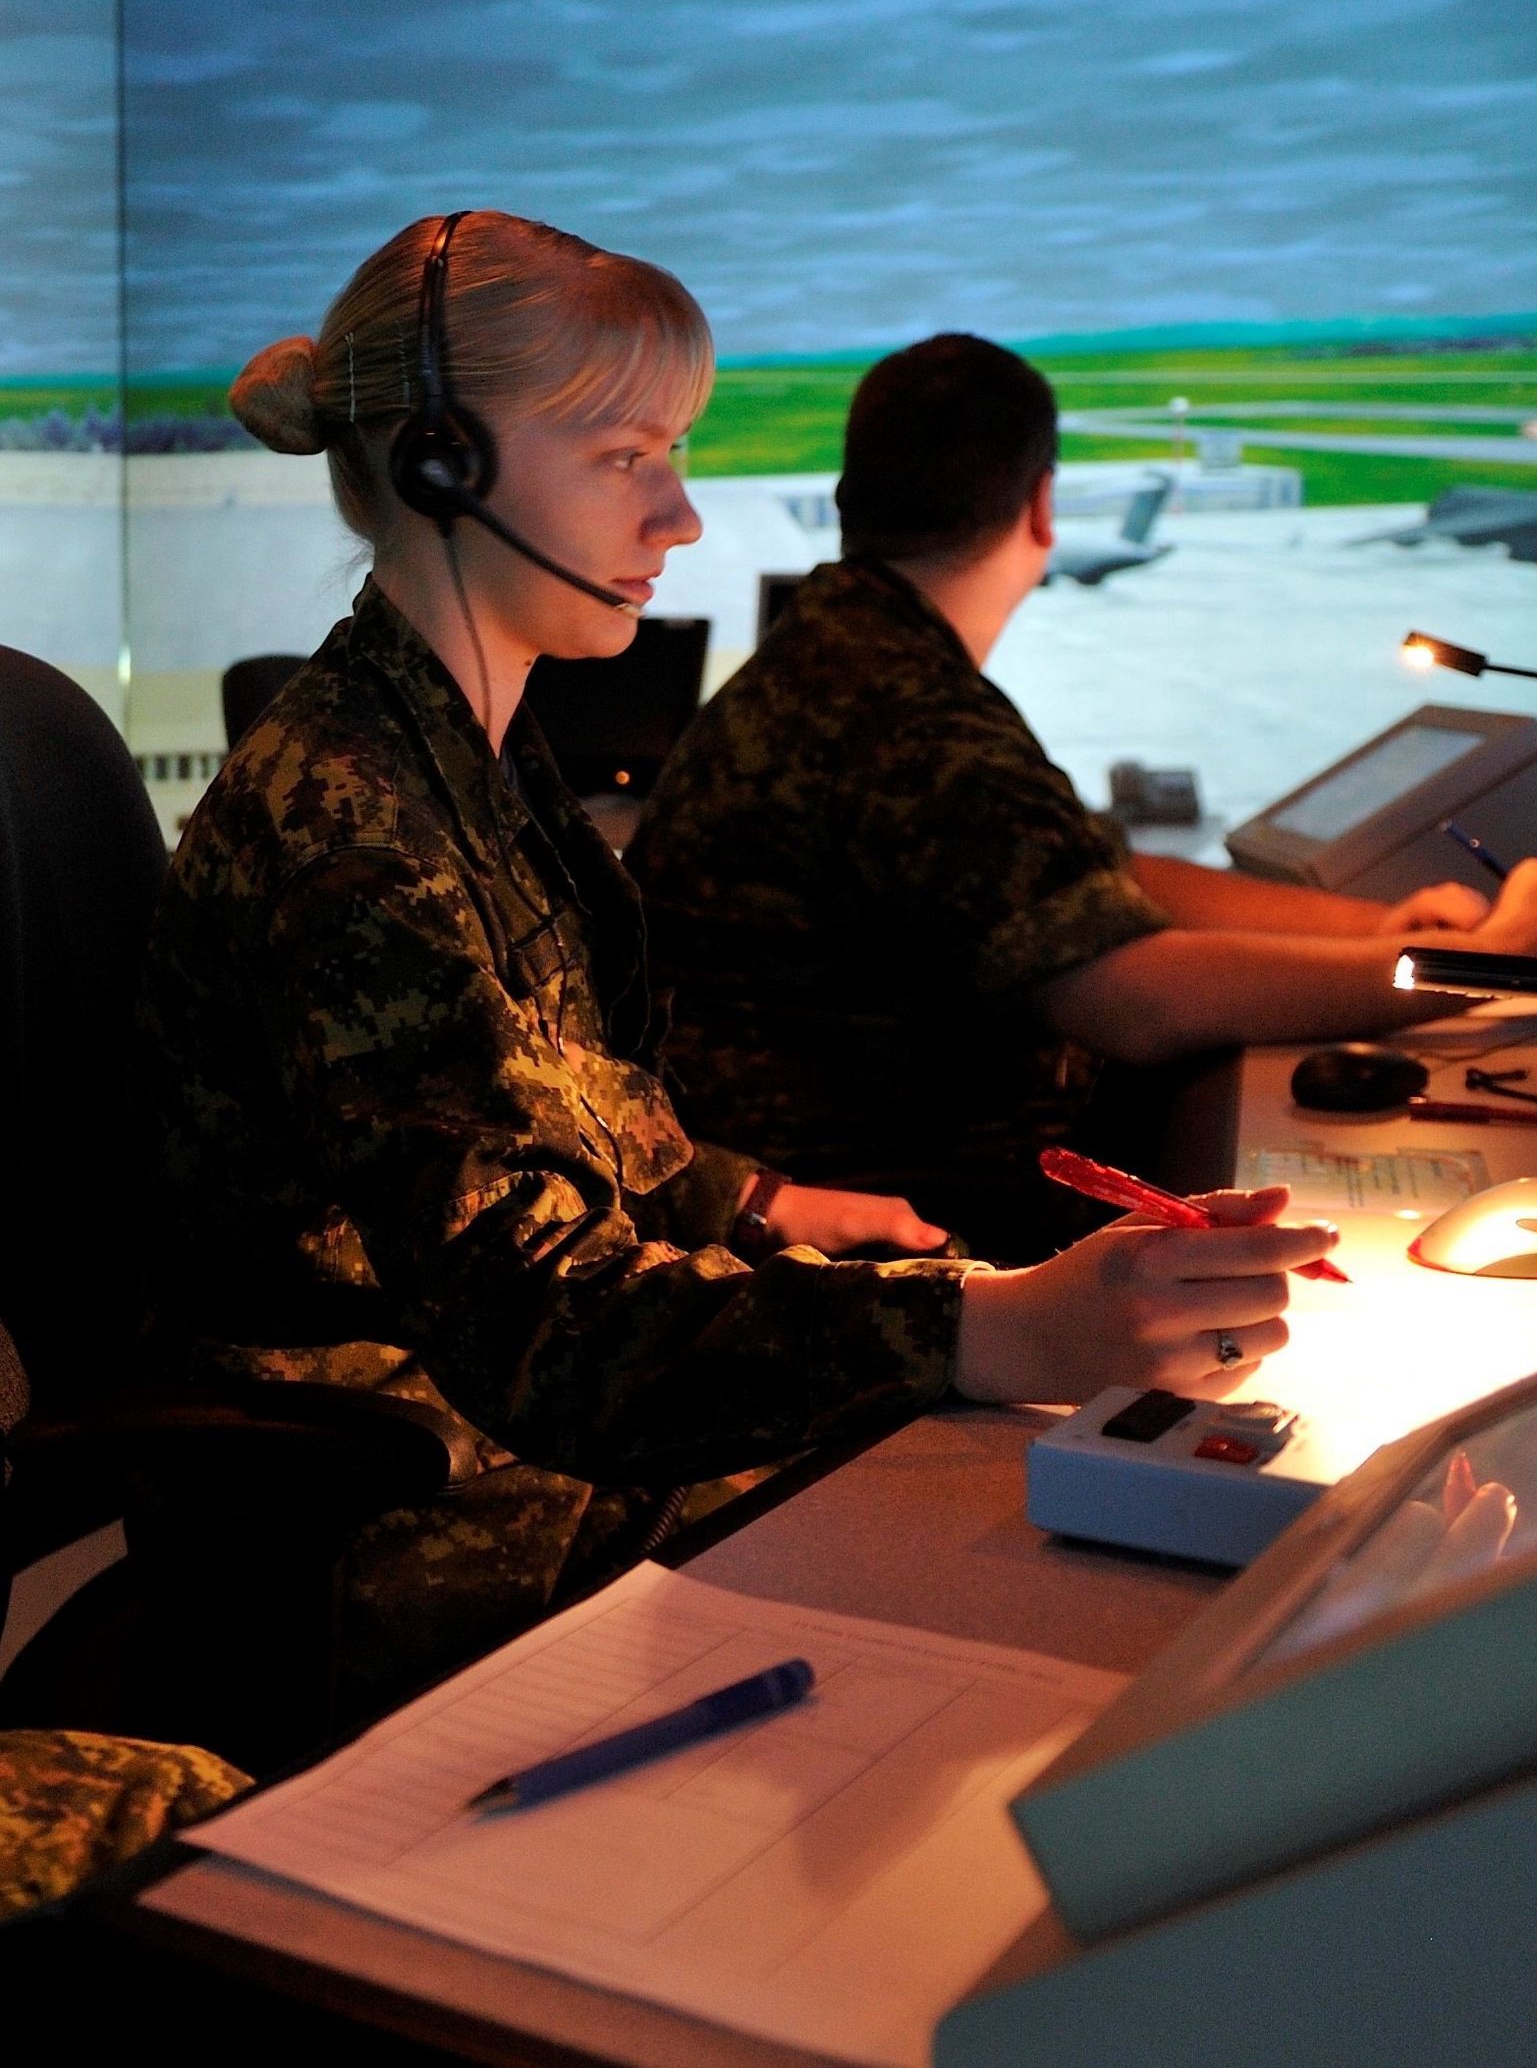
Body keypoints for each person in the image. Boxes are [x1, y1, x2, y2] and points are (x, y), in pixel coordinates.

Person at [136, 219, 1328, 1715]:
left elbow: (530, 1124)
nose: (682, 516)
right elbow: (542, 1330)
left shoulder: (464, 756)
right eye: (627, 456)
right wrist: (995, 1323)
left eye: (675, 455)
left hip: (525, 1426)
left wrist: (746, 1199)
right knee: (1066, 1607)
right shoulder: (356, 833)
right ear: (447, 466)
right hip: (431, 1495)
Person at [628, 333, 1537, 1260]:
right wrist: (1497, 962)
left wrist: (1375, 930)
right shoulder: (906, 714)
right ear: (1041, 508)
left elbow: (1105, 880)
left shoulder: (857, 659)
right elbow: (1136, 1000)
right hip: (894, 1237)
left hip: (876, 1192)